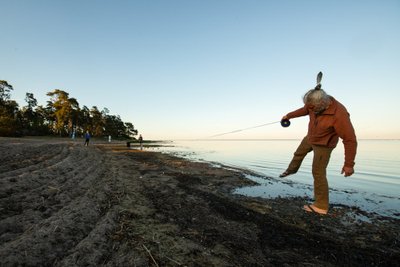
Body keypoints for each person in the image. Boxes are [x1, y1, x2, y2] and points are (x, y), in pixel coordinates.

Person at [280, 77, 357, 215]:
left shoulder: (339, 114)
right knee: (298, 153)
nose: (309, 109)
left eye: (311, 108)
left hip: (324, 144)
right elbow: (304, 110)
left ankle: (321, 206)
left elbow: (350, 140)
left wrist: (349, 164)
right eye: (308, 107)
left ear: (322, 104)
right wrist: (288, 116)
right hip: (311, 137)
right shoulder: (313, 105)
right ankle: (291, 170)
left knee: (318, 173)